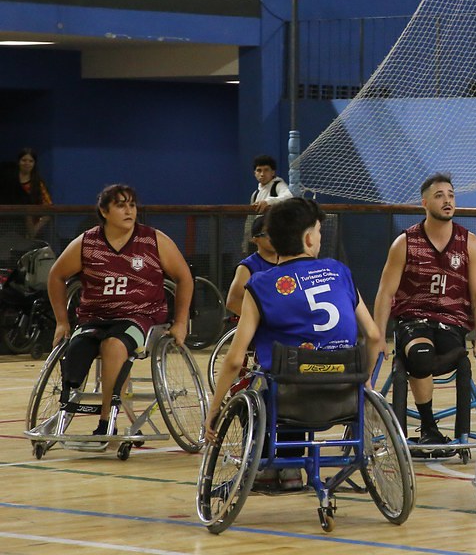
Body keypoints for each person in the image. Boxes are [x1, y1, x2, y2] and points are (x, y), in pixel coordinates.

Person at [205, 197, 382, 491]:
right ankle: (289, 469)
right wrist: (364, 382)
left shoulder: (260, 284)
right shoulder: (339, 272)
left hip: (289, 400)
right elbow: (374, 336)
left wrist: (214, 409)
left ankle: (275, 469)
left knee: (264, 386)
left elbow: (235, 360)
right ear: (309, 238)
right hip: (344, 394)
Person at [47, 184, 193, 449]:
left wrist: (181, 322)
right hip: (94, 317)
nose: (129, 210)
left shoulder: (153, 239)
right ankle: (64, 411)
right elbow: (56, 276)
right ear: (104, 211)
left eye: (132, 205)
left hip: (140, 316)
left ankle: (106, 422)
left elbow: (184, 278)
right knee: (77, 347)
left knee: (114, 345)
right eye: (121, 205)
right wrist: (62, 321)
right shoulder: (87, 242)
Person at [373, 173, 476, 448]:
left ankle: (448, 431)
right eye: (439, 196)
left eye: (451, 195)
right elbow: (385, 293)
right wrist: (379, 336)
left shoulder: (470, 243)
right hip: (413, 322)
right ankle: (429, 426)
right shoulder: (405, 243)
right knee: (421, 356)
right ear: (424, 203)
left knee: (453, 353)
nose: (447, 200)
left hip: (452, 324)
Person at [225, 214, 277, 315]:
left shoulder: (288, 261)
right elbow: (233, 302)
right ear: (254, 239)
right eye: (268, 234)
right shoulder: (247, 267)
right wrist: (262, 321)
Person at [9, 148, 53, 239]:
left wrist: (34, 229)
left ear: (34, 163)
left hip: (33, 230)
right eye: (24, 160)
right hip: (10, 226)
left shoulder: (37, 183)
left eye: (30, 161)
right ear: (18, 162)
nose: (27, 164)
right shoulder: (9, 180)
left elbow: (49, 208)